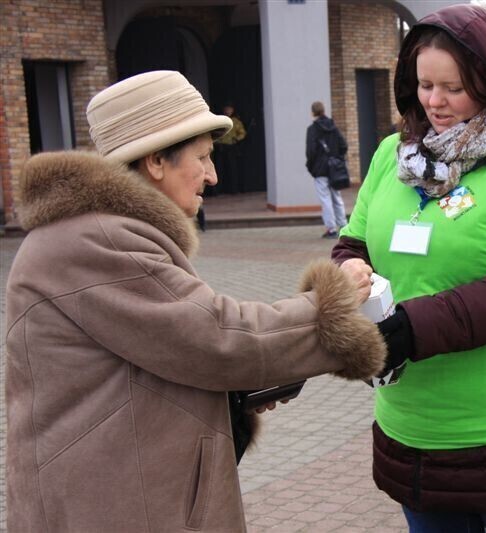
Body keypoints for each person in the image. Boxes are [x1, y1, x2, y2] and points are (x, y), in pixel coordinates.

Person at [4, 70, 386, 531]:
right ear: (155, 161)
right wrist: (332, 305)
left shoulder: (98, 231)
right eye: (202, 157)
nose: (212, 174)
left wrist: (242, 390)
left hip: (117, 492)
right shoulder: (98, 239)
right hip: (116, 505)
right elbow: (216, 336)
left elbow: (159, 355)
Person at [332, 5, 486, 531]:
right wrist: (350, 271)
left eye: (454, 88)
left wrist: (411, 328)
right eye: (425, 85)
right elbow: (354, 241)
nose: (434, 102)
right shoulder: (391, 154)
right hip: (415, 424)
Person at [306, 101, 349, 238]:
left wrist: (312, 166)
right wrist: (337, 159)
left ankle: (331, 229)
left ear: (313, 112)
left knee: (325, 199)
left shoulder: (312, 129)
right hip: (334, 169)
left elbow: (310, 152)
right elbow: (344, 146)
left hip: (320, 170)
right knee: (337, 197)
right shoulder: (333, 127)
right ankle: (343, 226)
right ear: (324, 111)